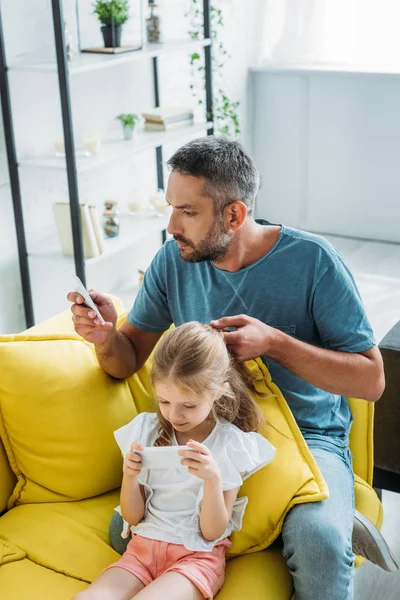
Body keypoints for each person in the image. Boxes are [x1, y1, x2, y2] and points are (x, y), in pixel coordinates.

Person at [68, 136, 397, 600]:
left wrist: (276, 344)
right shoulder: (172, 262)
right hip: (207, 432)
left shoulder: (314, 261)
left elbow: (372, 380)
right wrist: (104, 338)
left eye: (187, 211)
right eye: (170, 207)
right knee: (121, 526)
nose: (171, 226)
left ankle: (325, 515)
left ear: (234, 215)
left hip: (306, 436)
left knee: (319, 542)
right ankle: (283, 519)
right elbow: (126, 360)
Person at [73, 322, 275, 600]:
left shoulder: (230, 445)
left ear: (218, 391)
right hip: (141, 552)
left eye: (189, 405)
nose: (174, 415)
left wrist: (213, 479)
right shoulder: (145, 431)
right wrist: (130, 476)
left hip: (196, 559)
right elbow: (132, 517)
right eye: (164, 401)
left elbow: (211, 531)